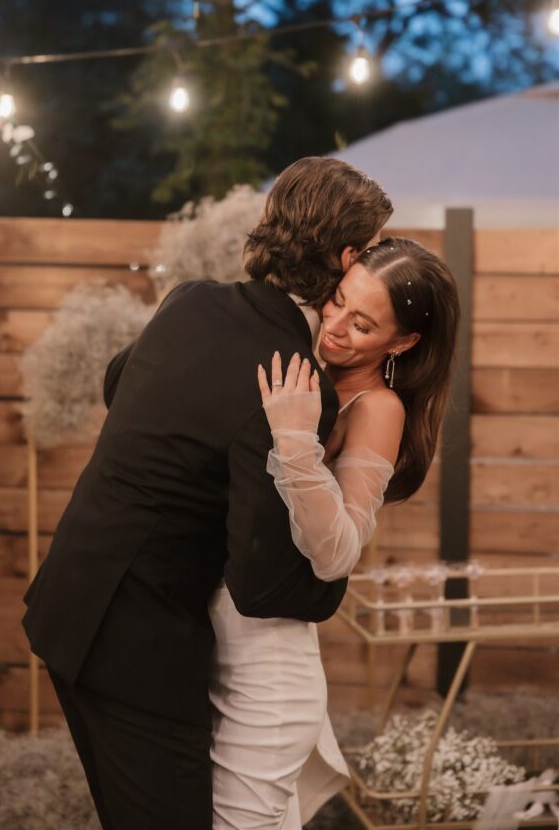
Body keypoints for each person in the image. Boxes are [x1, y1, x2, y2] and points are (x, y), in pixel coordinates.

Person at [21, 156, 393, 830]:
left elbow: (116, 381)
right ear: (345, 257)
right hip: (135, 647)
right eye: (369, 252)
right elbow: (263, 586)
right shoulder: (295, 383)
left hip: (65, 606)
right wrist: (335, 573)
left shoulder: (190, 300)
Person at [209, 236, 460, 830]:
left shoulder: (378, 408)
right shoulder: (301, 358)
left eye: (364, 325)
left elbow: (338, 553)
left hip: (268, 667)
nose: (336, 327)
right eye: (338, 301)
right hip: (215, 642)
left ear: (404, 342)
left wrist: (295, 440)